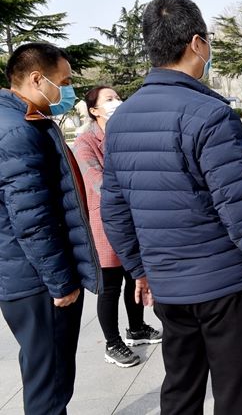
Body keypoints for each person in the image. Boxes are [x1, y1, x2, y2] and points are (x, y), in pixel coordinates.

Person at [101, 0, 242, 415]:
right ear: (197, 43)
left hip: (168, 286)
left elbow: (114, 211)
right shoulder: (211, 115)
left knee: (181, 387)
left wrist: (139, 269)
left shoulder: (120, 120)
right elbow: (241, 211)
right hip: (225, 285)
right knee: (236, 391)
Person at [0, 42, 102, 414]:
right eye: (65, 81)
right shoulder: (17, 130)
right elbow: (32, 219)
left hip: (23, 276)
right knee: (51, 386)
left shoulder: (18, 119)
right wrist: (61, 283)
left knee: (43, 375)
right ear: (36, 79)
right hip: (37, 282)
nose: (68, 89)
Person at [73, 85, 162, 368]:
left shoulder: (125, 133)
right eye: (109, 99)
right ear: (94, 110)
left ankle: (136, 329)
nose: (117, 102)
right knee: (110, 285)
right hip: (104, 221)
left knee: (135, 275)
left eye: (118, 97)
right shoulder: (85, 143)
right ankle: (112, 343)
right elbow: (98, 183)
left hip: (133, 216)